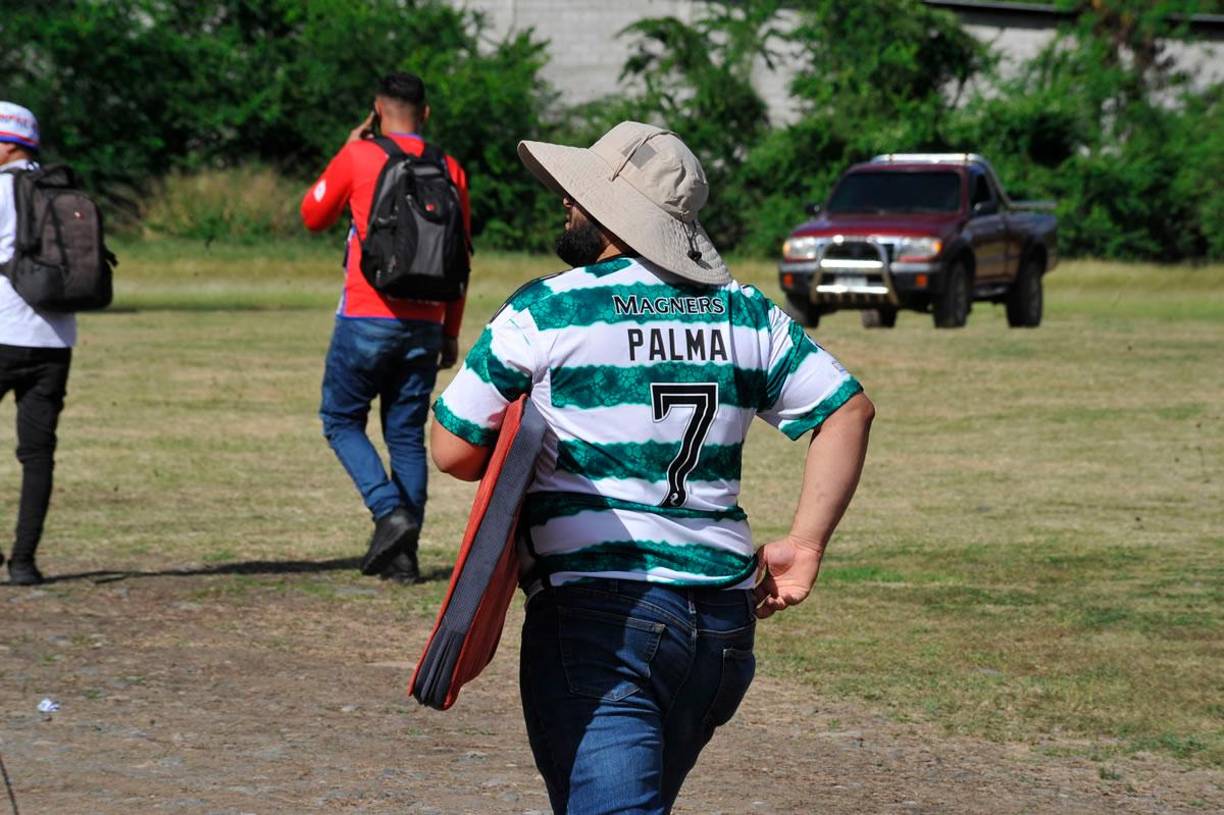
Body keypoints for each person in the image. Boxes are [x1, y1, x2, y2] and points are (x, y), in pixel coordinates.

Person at [430, 121, 874, 813]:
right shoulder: (746, 312)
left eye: (579, 195)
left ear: (612, 212)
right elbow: (846, 410)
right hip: (722, 629)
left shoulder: (548, 308)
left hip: (601, 619)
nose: (567, 205)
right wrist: (806, 544)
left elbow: (452, 449)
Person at [301, 72, 471, 584]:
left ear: (376, 109)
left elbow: (312, 214)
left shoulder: (360, 156)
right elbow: (460, 258)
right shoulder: (451, 168)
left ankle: (386, 512)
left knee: (340, 419)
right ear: (427, 112)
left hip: (365, 313)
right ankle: (404, 557)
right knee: (404, 436)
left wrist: (347, 148)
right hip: (426, 321)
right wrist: (448, 330)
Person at [0, 102, 73, 587]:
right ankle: (24, 563)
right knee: (38, 453)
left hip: (2, 330)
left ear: (7, 144)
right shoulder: (63, 187)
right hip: (55, 338)